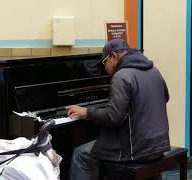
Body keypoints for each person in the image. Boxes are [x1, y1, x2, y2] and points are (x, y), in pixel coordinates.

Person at [67, 39, 170, 180]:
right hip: (158, 145)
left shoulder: (121, 76)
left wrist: (87, 112)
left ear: (114, 56)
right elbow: (165, 97)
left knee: (80, 154)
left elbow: (113, 117)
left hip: (135, 149)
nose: (105, 69)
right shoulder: (154, 71)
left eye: (104, 62)